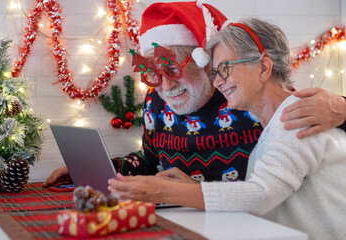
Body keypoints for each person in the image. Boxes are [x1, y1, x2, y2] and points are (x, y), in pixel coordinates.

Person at [43, 1, 346, 188]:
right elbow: (151, 161)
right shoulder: (155, 104)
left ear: (204, 62)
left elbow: (311, 127)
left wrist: (342, 107)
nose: (163, 85)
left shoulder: (244, 93)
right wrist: (103, 170)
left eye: (171, 69)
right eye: (151, 73)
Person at [108, 17, 346, 239]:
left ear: (263, 68)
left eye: (225, 69)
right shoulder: (272, 121)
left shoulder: (296, 115)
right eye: (215, 72)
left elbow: (260, 195)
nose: (218, 81)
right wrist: (195, 189)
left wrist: (163, 192)